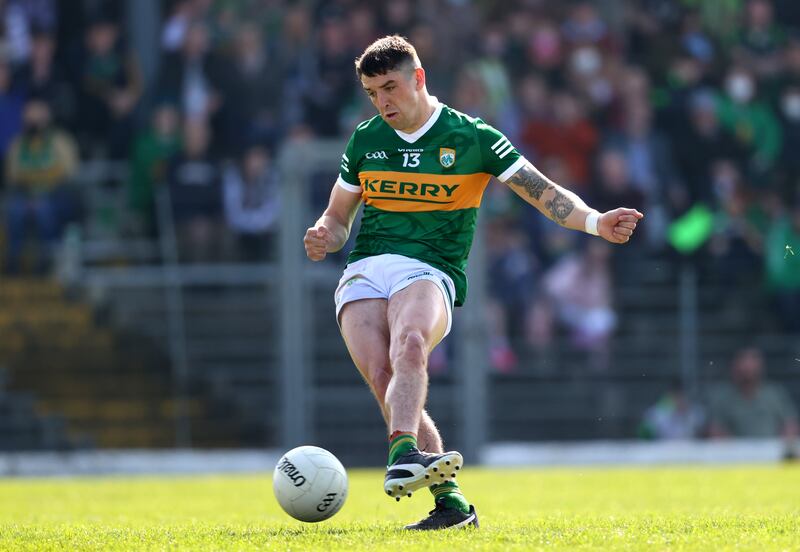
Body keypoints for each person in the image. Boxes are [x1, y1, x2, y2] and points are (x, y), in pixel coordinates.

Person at [303, 35, 643, 531]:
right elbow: (337, 218)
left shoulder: (474, 137)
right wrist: (323, 235)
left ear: (418, 78)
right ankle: (453, 506)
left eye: (391, 88)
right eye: (373, 92)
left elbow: (543, 192)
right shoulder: (365, 140)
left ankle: (401, 452)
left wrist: (595, 222)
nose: (383, 102)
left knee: (411, 343)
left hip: (429, 269)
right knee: (384, 376)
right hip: (365, 267)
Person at [708, 347, 799, 450]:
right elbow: (716, 432)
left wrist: (781, 446)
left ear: (761, 367)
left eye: (752, 363)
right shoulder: (722, 397)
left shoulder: (774, 394)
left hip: (773, 456)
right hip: (735, 458)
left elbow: (790, 425)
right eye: (743, 364)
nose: (748, 368)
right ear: (734, 366)